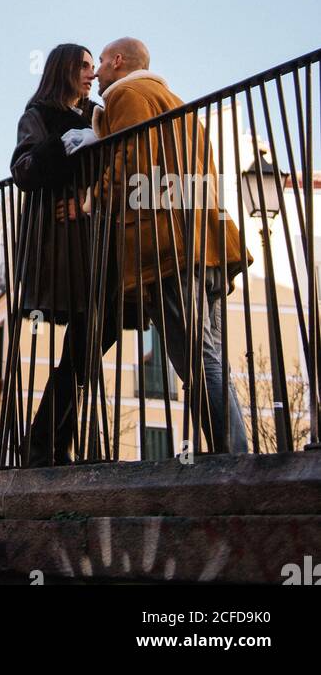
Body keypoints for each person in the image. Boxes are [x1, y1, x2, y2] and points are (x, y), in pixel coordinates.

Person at [93, 37, 250, 454]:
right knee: (210, 358)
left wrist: (95, 196)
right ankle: (233, 452)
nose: (96, 72)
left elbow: (130, 158)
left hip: (169, 249)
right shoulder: (177, 103)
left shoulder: (125, 93)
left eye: (102, 61)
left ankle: (232, 458)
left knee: (196, 360)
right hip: (208, 245)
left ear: (119, 61)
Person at [10, 43, 105, 466]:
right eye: (84, 66)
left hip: (92, 233)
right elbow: (23, 170)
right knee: (87, 330)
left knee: (95, 331)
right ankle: (47, 442)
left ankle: (45, 441)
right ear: (64, 70)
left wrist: (87, 197)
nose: (93, 73)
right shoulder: (39, 115)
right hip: (58, 238)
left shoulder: (96, 115)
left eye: (93, 65)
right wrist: (64, 144)